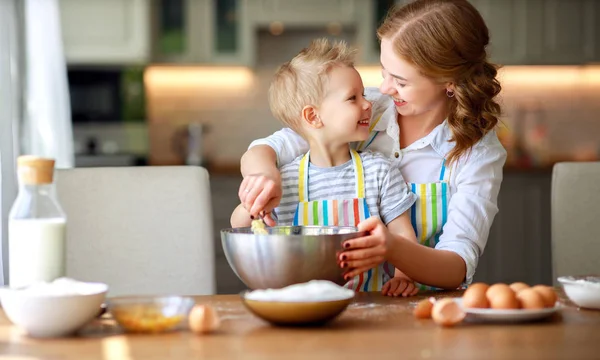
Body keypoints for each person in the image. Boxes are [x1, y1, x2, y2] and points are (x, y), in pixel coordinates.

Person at [237, 0, 507, 291]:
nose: (386, 89)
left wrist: (393, 248)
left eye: (401, 81)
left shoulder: (476, 152)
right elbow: (269, 148)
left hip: (424, 307)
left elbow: (457, 265)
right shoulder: (371, 108)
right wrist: (264, 176)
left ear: (449, 82)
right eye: (384, 71)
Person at [231, 38, 419, 295]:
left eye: (363, 94)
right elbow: (239, 225)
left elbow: (402, 233)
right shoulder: (284, 182)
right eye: (353, 98)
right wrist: (252, 204)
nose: (368, 104)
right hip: (302, 305)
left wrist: (404, 276)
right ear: (313, 116)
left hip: (371, 303)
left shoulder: (380, 171)